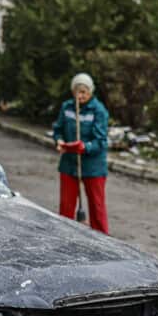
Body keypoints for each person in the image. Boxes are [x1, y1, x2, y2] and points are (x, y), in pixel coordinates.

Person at [52, 73, 109, 234]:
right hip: (69, 164)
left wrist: (85, 147)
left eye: (84, 92)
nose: (81, 95)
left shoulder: (98, 111)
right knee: (66, 206)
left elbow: (101, 141)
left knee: (97, 207)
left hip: (93, 166)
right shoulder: (67, 107)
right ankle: (64, 237)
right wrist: (59, 141)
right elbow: (58, 130)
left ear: (90, 92)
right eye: (78, 91)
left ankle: (103, 240)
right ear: (73, 91)